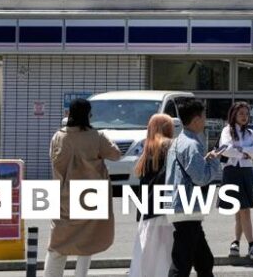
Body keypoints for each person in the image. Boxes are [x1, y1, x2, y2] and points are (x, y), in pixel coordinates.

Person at [44, 98, 122, 277]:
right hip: (90, 197)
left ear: (69, 114)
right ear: (88, 115)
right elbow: (116, 154)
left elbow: (53, 160)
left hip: (63, 197)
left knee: (57, 245)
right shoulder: (97, 137)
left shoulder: (59, 137)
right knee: (88, 243)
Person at [166, 99, 224, 277]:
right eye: (204, 116)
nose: (205, 120)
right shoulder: (191, 145)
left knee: (204, 260)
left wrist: (204, 160)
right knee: (181, 264)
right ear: (196, 119)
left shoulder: (178, 141)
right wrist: (214, 161)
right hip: (187, 208)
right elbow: (201, 178)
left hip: (180, 206)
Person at [128, 113, 176, 277]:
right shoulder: (171, 145)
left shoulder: (147, 148)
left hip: (148, 208)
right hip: (167, 205)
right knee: (168, 250)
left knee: (147, 252)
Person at [219, 101, 253, 261]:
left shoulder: (250, 133)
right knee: (239, 210)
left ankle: (239, 243)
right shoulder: (226, 131)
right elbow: (225, 149)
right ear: (234, 115)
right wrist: (246, 152)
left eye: (246, 114)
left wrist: (239, 151)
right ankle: (248, 244)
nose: (244, 117)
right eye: (241, 114)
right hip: (231, 172)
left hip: (246, 172)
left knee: (244, 210)